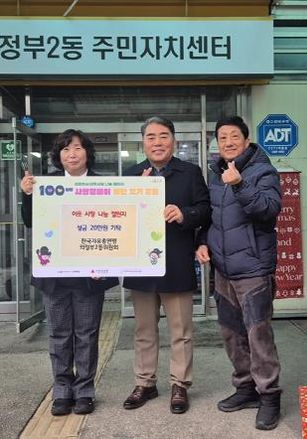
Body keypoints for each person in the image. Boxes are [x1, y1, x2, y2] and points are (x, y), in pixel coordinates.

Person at [20, 129, 118, 416]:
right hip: (55, 276)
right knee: (59, 335)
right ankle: (62, 389)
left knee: (87, 335)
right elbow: (31, 222)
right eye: (65, 149)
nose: (71, 154)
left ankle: (85, 390)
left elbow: (115, 229)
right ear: (58, 155)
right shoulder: (45, 184)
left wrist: (107, 264)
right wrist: (27, 194)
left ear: (87, 152)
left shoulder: (104, 185)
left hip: (90, 275)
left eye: (77, 148)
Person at [195, 116, 283, 430]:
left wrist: (240, 184)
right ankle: (246, 388)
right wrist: (202, 241)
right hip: (223, 269)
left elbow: (269, 210)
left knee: (258, 334)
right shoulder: (216, 174)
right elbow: (212, 217)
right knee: (231, 334)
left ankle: (269, 395)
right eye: (222, 137)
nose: (228, 142)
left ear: (246, 140)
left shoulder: (263, 171)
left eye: (234, 136)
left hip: (253, 269)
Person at [122, 116, 210, 414]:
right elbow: (118, 218)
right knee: (143, 329)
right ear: (143, 142)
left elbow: (206, 210)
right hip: (140, 265)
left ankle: (179, 384)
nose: (157, 142)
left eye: (163, 136)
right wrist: (136, 194)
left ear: (173, 140)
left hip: (176, 260)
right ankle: (145, 383)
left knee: (181, 330)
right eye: (151, 137)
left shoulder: (190, 173)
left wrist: (185, 214)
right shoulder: (131, 175)